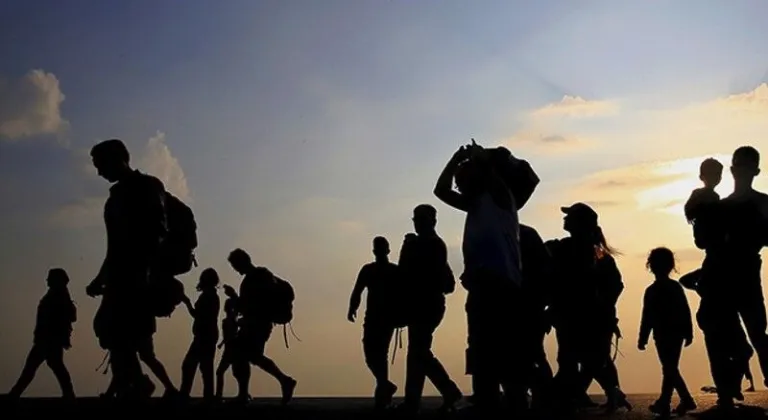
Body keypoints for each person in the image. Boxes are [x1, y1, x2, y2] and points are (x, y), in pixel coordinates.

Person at [433, 141, 534, 413]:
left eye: (462, 179)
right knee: (480, 349)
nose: (458, 184)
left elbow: (491, 176)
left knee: (500, 350)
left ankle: (514, 400)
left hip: (501, 287)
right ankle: (488, 400)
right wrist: (456, 158)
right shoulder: (475, 204)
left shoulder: (501, 197)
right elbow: (439, 191)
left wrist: (481, 159)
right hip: (482, 286)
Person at [86, 139, 167, 400]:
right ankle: (135, 383)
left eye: (100, 164)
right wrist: (102, 277)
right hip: (120, 275)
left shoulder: (147, 187)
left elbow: (157, 232)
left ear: (119, 158)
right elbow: (114, 244)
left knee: (120, 333)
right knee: (111, 331)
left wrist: (147, 274)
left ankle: (135, 384)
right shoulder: (115, 197)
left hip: (138, 276)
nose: (99, 172)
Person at [546, 203, 630, 412]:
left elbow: (614, 286)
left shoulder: (569, 249)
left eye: (570, 216)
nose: (564, 219)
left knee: (577, 359)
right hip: (579, 316)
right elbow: (616, 285)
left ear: (579, 223)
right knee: (589, 359)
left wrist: (601, 308)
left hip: (579, 317)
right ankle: (610, 393)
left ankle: (570, 397)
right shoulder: (593, 252)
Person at [396, 205, 463, 413]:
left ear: (432, 221)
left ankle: (447, 390)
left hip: (427, 305)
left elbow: (410, 273)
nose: (417, 222)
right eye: (415, 218)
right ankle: (413, 400)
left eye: (421, 219)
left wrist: (408, 248)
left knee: (419, 352)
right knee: (417, 352)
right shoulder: (425, 244)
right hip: (423, 304)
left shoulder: (432, 245)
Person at [719, 146, 768, 389]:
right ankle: (730, 386)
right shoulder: (722, 205)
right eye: (739, 165)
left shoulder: (762, 202)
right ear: (732, 169)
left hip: (748, 272)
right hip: (725, 275)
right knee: (730, 335)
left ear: (756, 171)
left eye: (747, 166)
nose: (742, 171)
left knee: (758, 333)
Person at [226, 248, 297, 405]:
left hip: (258, 324)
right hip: (258, 324)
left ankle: (283, 381)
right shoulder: (262, 275)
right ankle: (281, 381)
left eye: (235, 266)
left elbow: (250, 306)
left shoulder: (254, 279)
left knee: (246, 355)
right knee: (250, 356)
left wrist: (233, 298)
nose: (236, 270)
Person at [638, 248, 696, 417]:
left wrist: (643, 337)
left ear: (650, 265)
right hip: (675, 334)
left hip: (664, 334)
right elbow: (685, 311)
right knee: (670, 368)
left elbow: (647, 316)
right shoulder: (675, 287)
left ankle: (681, 400)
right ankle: (666, 401)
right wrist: (688, 331)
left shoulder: (652, 290)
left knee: (669, 368)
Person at [347, 236, 400, 409]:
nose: (378, 250)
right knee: (371, 355)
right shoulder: (368, 270)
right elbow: (358, 290)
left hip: (387, 319)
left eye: (380, 247)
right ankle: (385, 385)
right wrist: (352, 308)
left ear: (387, 250)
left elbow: (404, 293)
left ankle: (382, 395)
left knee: (380, 355)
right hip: (373, 319)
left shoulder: (394, 271)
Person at [8, 269, 76, 399]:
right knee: (53, 366)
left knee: (33, 367)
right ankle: (69, 394)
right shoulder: (57, 295)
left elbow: (57, 318)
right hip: (48, 339)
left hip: (48, 339)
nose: (47, 280)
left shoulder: (57, 297)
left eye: (50, 278)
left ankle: (15, 394)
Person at [180, 268, 221, 401]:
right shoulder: (212, 296)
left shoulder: (208, 296)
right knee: (205, 367)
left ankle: (185, 394)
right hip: (208, 335)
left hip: (204, 336)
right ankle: (207, 396)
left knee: (190, 365)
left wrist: (187, 303)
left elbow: (197, 315)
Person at [216, 296, 239, 400]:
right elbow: (228, 335)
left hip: (231, 349)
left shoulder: (230, 321)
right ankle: (243, 393)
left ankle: (219, 395)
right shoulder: (231, 321)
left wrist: (223, 342)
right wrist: (222, 343)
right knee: (235, 372)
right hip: (230, 348)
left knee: (221, 372)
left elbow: (229, 335)